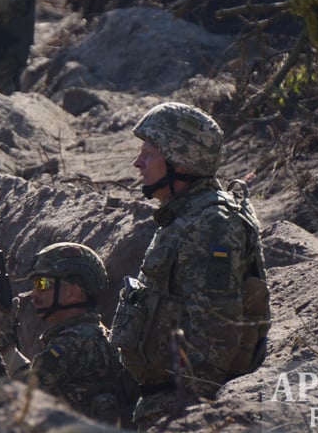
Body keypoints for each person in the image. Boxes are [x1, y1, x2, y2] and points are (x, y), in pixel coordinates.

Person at [110, 102, 271, 428]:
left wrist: (190, 415)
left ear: (180, 161)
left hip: (183, 407)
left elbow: (216, 334)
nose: (138, 162)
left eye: (150, 153)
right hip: (166, 400)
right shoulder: (186, 216)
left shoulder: (210, 223)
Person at [0, 242, 133, 426]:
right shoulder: (97, 334)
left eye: (43, 284)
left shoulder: (71, 344)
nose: (34, 294)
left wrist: (4, 343)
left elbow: (26, 395)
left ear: (73, 292)